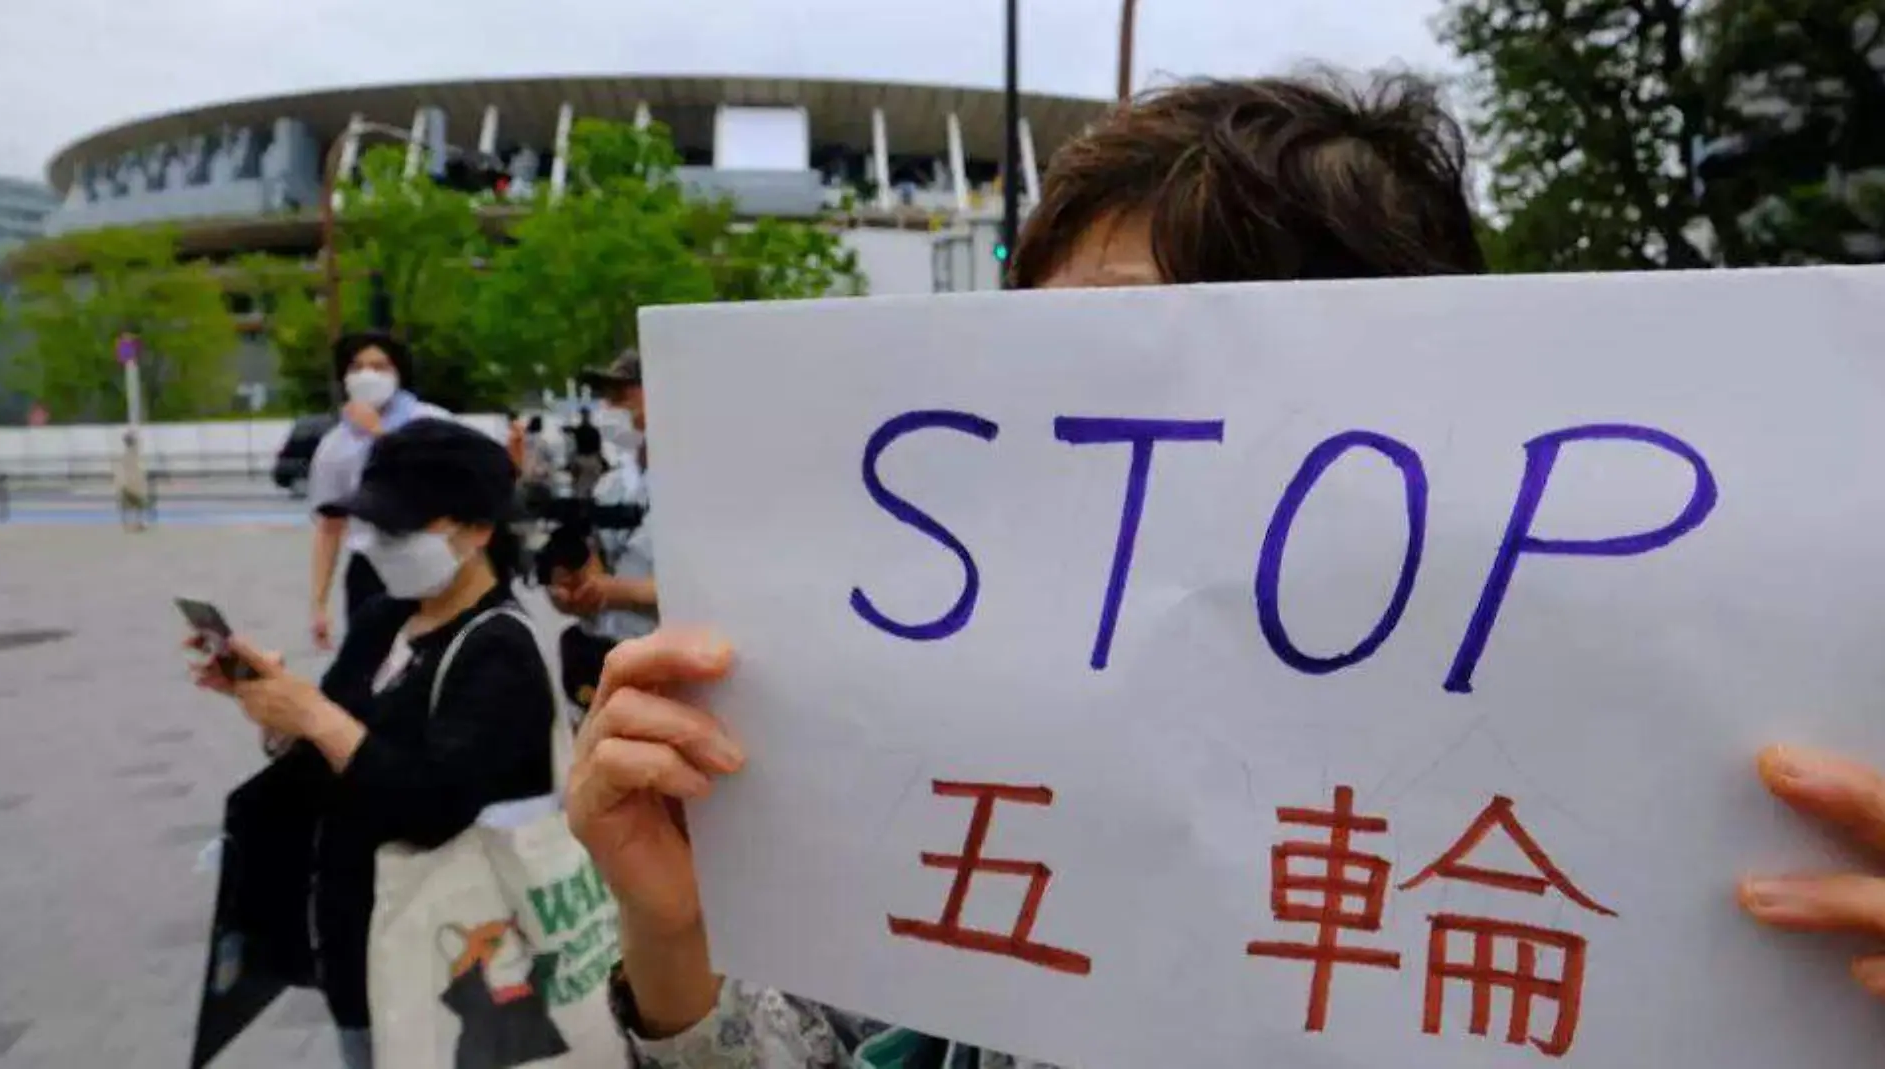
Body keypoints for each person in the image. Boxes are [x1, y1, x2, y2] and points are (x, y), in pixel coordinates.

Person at [565, 72, 1885, 1066]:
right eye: (1016, 359)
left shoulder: (1662, 842)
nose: (1060, 435)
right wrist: (677, 929)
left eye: (1133, 369)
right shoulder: (966, 784)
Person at [191, 420, 556, 1069]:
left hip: (450, 966)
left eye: (398, 529)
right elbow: (334, 760)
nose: (376, 544)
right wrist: (272, 703)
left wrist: (319, 717)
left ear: (476, 530)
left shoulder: (499, 648)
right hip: (355, 943)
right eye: (372, 526)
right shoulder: (384, 617)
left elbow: (434, 805)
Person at [307, 332, 447, 651]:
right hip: (369, 568)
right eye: (357, 367)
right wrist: (318, 604)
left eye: (379, 366)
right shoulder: (335, 444)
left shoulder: (431, 423)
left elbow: (437, 486)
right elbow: (329, 527)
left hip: (428, 558)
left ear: (398, 373)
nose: (367, 375)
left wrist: (378, 433)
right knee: (369, 669)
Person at [548, 351, 658, 711]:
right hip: (601, 661)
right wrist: (576, 592)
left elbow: (721, 585)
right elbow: (593, 558)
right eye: (606, 396)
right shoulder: (611, 484)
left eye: (622, 393)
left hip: (663, 663)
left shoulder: (704, 478)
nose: (610, 406)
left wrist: (620, 591)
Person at [114, 429, 149, 532]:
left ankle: (129, 524)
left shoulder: (129, 454)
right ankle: (134, 523)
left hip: (130, 483)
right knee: (135, 505)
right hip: (132, 484)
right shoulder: (131, 454)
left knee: (130, 505)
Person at [569, 407, 607, 499]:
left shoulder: (577, 431)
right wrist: (603, 462)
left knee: (578, 487)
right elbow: (598, 449)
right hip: (592, 460)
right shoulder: (594, 431)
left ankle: (580, 504)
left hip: (580, 459)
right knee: (589, 486)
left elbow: (574, 448)